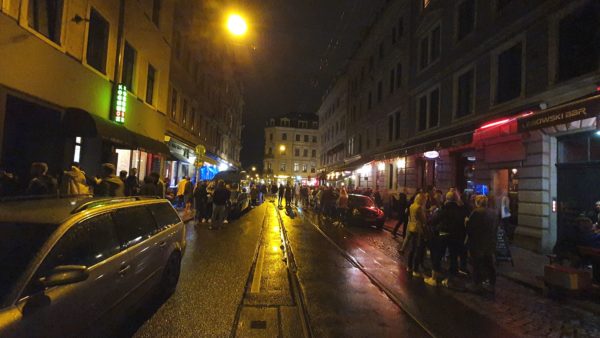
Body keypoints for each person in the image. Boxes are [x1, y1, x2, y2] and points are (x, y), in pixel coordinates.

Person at [424, 191, 468, 287]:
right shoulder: (460, 210)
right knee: (453, 258)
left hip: (443, 234)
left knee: (438, 255)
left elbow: (433, 221)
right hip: (456, 236)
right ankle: (450, 280)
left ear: (447, 199)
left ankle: (434, 279)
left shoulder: (444, 209)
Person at [465, 195, 498, 294]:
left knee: (477, 264)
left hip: (478, 242)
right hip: (490, 242)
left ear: (477, 202)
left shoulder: (476, 212)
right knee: (489, 263)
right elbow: (496, 228)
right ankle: (492, 284)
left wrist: (466, 222)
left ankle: (476, 284)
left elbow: (470, 229)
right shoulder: (494, 213)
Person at [405, 193, 427, 277]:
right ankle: (415, 270)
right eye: (424, 199)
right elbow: (423, 221)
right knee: (418, 250)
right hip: (418, 230)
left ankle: (409, 266)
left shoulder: (412, 206)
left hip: (412, 228)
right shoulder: (419, 208)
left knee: (412, 248)